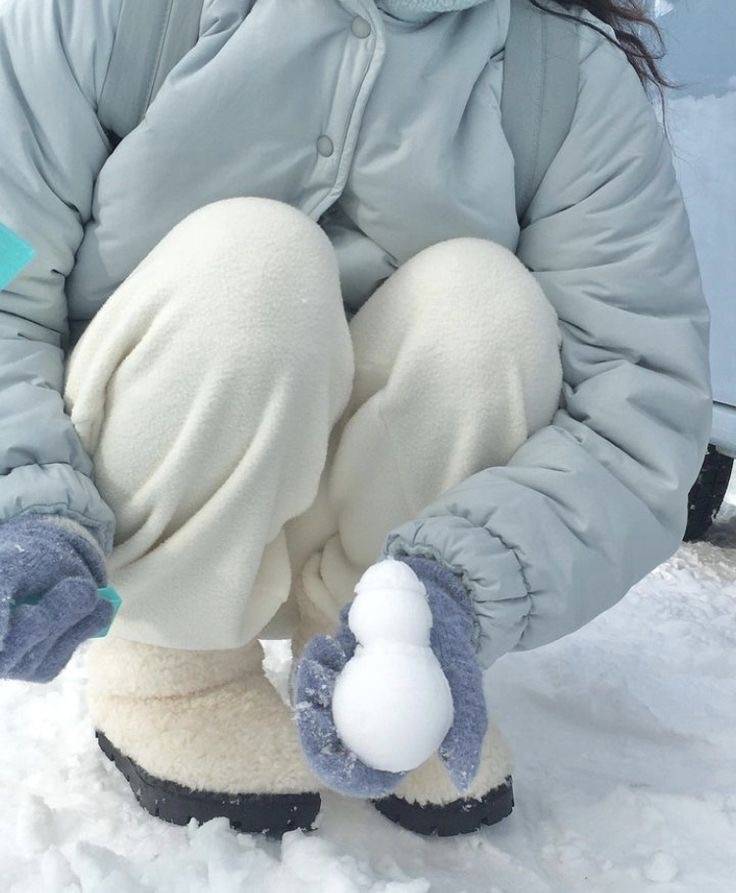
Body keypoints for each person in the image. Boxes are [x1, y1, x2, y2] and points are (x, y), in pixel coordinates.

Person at [0, 0, 711, 838]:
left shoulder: (568, 77)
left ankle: (377, 653)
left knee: (485, 305)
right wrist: (25, 493)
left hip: (400, 552)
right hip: (146, 494)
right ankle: (176, 665)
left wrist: (462, 588)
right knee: (256, 261)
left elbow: (636, 409)